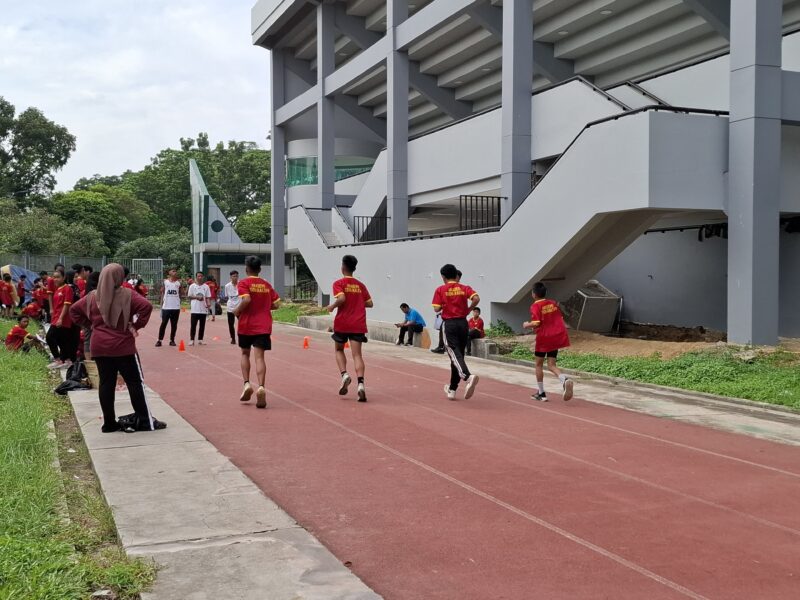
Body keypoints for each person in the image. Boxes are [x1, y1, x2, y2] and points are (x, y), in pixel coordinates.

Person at [70, 263, 164, 433]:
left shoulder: (92, 296)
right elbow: (147, 307)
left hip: (99, 346)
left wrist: (90, 325)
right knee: (135, 383)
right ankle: (143, 419)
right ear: (119, 277)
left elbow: (74, 311)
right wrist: (136, 325)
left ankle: (109, 423)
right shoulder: (128, 294)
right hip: (123, 346)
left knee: (106, 383)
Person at [234, 257, 280, 408]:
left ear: (246, 269)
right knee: (260, 357)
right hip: (263, 325)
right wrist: (265, 307)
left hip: (247, 325)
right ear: (260, 269)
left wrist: (237, 310)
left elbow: (246, 300)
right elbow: (277, 304)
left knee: (245, 354)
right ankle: (261, 387)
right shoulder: (266, 285)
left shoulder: (244, 283)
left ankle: (247, 383)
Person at [325, 255, 373, 402]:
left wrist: (332, 306)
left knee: (339, 349)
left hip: (343, 323)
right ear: (354, 268)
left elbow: (342, 298)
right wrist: (357, 302)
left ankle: (344, 375)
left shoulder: (339, 283)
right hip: (358, 323)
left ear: (343, 267)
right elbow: (370, 303)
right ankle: (361, 384)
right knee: (357, 355)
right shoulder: (361, 285)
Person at [432, 264, 480, 401]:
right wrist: (469, 309)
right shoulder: (464, 288)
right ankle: (452, 389)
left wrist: (445, 303)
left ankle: (467, 376)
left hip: (450, 324)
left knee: (453, 351)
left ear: (443, 277)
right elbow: (476, 299)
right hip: (463, 324)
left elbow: (436, 308)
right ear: (456, 275)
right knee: (458, 356)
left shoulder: (440, 289)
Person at [522, 282, 574, 402]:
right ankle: (564, 380)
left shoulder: (535, 306)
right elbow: (559, 318)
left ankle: (541, 393)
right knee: (551, 365)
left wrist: (526, 325)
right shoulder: (552, 303)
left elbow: (536, 322)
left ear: (534, 294)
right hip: (555, 337)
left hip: (544, 338)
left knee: (538, 365)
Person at [45, 269, 75, 369]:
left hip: (63, 317)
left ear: (64, 278)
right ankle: (66, 360)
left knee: (49, 337)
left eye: (58, 277)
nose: (55, 279)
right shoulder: (58, 289)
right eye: (54, 277)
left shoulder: (67, 289)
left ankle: (58, 359)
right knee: (62, 339)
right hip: (56, 317)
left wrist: (61, 318)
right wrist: (52, 311)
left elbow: (67, 304)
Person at [156, 268, 182, 347]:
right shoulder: (165, 282)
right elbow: (161, 291)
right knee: (163, 324)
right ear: (169, 273)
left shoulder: (178, 283)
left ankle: (172, 340)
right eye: (173, 271)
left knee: (174, 324)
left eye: (175, 271)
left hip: (175, 307)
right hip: (166, 306)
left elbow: (181, 293)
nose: (175, 272)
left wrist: (179, 300)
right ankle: (159, 340)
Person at [187, 272, 210, 345]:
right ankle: (192, 339)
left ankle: (200, 339)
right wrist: (197, 297)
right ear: (196, 277)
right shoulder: (192, 286)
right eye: (198, 276)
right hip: (195, 309)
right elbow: (189, 296)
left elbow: (208, 297)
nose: (200, 277)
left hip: (203, 309)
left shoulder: (206, 286)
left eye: (201, 276)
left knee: (202, 325)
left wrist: (208, 303)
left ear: (203, 277)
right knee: (193, 325)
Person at [224, 270, 240, 345]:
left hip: (239, 307)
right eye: (234, 276)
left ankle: (241, 337)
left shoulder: (241, 284)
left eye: (236, 276)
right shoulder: (227, 286)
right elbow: (227, 296)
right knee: (231, 324)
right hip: (230, 307)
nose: (235, 278)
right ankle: (233, 338)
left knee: (242, 323)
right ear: (230, 277)